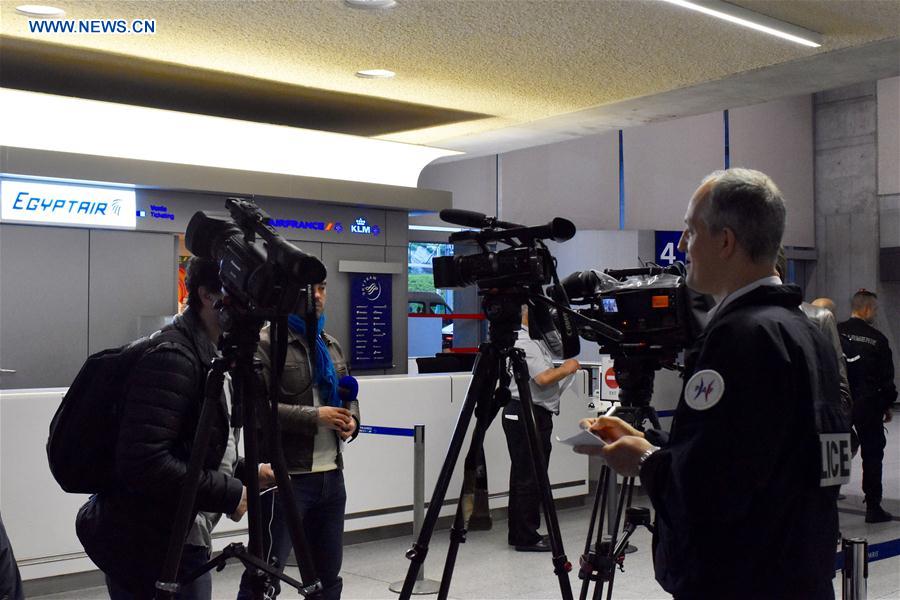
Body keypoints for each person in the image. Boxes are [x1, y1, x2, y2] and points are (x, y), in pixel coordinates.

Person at [580, 168, 847, 599]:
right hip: (800, 573)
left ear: (725, 241)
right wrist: (657, 442)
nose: (683, 245)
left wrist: (645, 461)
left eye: (690, 230)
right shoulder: (806, 332)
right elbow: (760, 454)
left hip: (740, 580)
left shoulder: (739, 336)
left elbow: (712, 490)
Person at [76, 256, 266, 599]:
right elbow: (144, 462)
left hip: (175, 534)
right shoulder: (173, 358)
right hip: (148, 543)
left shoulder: (213, 356)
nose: (254, 307)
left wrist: (241, 472)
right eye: (245, 294)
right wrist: (229, 492)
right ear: (209, 296)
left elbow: (191, 447)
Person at [237, 278, 360, 600]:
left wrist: (353, 420)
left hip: (331, 477)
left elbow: (348, 391)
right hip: (284, 477)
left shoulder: (330, 344)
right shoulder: (266, 343)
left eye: (322, 288)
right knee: (264, 575)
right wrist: (313, 416)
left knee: (327, 577)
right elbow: (255, 408)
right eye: (309, 289)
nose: (317, 296)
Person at [502, 306, 580, 552]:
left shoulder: (534, 340)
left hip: (531, 411)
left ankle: (521, 532)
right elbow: (543, 378)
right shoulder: (525, 340)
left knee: (525, 474)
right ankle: (526, 536)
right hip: (527, 412)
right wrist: (568, 368)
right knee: (529, 476)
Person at [838, 289, 897, 523]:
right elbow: (886, 379)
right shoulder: (878, 340)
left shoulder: (835, 331)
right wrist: (887, 404)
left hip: (839, 403)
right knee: (872, 455)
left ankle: (829, 499)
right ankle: (873, 506)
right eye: (876, 309)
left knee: (837, 451)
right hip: (869, 405)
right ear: (868, 309)